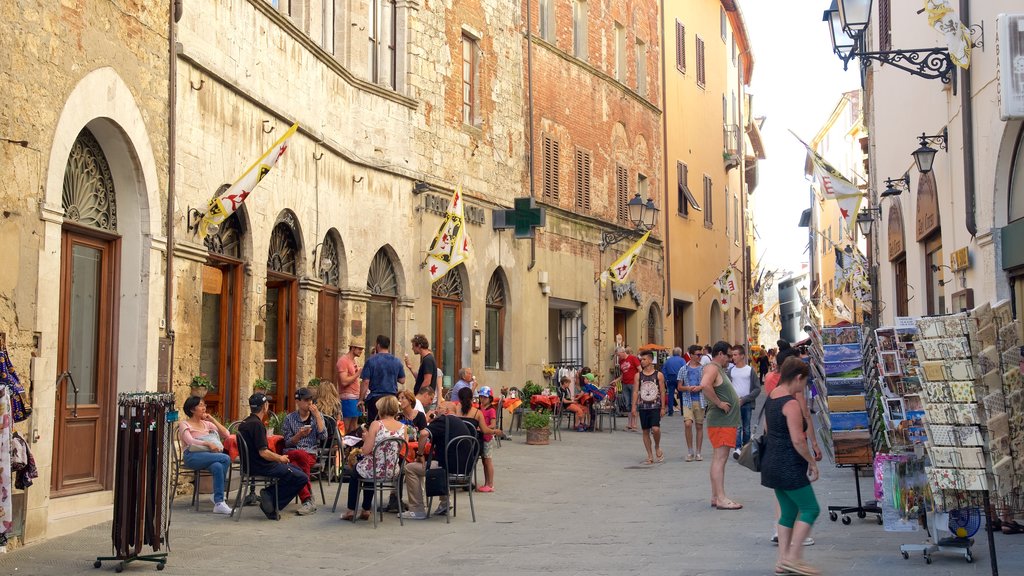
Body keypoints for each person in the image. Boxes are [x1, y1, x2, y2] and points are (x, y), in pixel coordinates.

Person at [762, 358, 822, 576]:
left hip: (772, 463)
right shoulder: (791, 403)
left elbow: (768, 430)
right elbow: (798, 440)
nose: (803, 387)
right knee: (811, 508)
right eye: (804, 382)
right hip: (789, 464)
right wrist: (811, 462)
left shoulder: (771, 397)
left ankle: (782, 561)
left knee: (788, 512)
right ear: (798, 377)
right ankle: (794, 558)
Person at [236, 393, 309, 520]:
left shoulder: (245, 422)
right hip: (262, 466)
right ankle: (270, 500)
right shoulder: (257, 425)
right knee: (301, 477)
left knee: (296, 471)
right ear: (265, 406)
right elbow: (263, 452)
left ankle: (270, 497)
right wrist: (279, 458)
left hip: (251, 465)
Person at [401, 405, 475, 519]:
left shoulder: (443, 420)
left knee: (410, 468)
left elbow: (424, 434)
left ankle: (417, 510)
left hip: (447, 468)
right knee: (438, 462)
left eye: (439, 407)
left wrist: (420, 454)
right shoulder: (460, 423)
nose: (436, 410)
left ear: (446, 410)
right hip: (465, 469)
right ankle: (445, 502)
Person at [339, 395, 406, 521]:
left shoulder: (376, 424)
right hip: (392, 470)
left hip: (375, 468)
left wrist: (366, 439)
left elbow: (366, 451)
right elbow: (402, 448)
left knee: (357, 472)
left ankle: (351, 510)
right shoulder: (403, 427)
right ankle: (366, 509)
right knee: (367, 471)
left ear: (381, 409)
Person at [701, 340, 742, 510]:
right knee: (720, 459)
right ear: (720, 354)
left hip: (724, 422)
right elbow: (704, 385)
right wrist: (719, 403)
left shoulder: (718, 369)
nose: (731, 359)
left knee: (719, 458)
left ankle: (715, 496)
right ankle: (721, 499)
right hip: (721, 422)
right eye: (728, 355)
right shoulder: (712, 368)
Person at [177, 396, 233, 515]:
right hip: (192, 456)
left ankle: (218, 502)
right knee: (225, 458)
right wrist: (208, 443)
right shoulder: (185, 424)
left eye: (204, 405)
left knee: (218, 466)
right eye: (201, 405)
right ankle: (219, 496)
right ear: (192, 409)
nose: (204, 408)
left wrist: (212, 420)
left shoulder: (206, 424)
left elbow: (226, 434)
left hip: (208, 456)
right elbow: (190, 441)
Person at [281, 387, 327, 516]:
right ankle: (308, 500)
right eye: (306, 400)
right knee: (298, 454)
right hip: (293, 452)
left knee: (296, 467)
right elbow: (287, 442)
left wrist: (317, 416)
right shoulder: (290, 419)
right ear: (298, 402)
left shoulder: (317, 417)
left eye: (311, 400)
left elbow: (323, 436)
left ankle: (307, 499)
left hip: (309, 453)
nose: (309, 403)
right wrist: (299, 435)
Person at [359, 335, 405, 423]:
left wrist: (361, 399)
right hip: (391, 398)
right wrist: (392, 375)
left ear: (378, 345)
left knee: (374, 424)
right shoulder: (396, 361)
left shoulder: (371, 361)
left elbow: (365, 382)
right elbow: (402, 380)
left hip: (376, 398)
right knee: (390, 423)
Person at [633, 350, 666, 464]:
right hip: (643, 406)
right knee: (645, 431)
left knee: (656, 429)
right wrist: (633, 407)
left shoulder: (659, 375)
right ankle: (650, 455)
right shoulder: (638, 375)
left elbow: (662, 391)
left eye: (644, 359)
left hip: (655, 405)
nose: (642, 362)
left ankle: (657, 446)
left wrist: (662, 407)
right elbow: (636, 391)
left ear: (651, 360)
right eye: (641, 360)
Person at [729, 345, 760, 458]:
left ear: (742, 356)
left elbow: (757, 388)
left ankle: (745, 449)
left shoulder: (749, 370)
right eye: (732, 355)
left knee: (746, 427)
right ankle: (737, 448)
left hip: (746, 403)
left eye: (735, 355)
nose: (733, 357)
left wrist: (746, 398)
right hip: (735, 403)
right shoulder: (731, 371)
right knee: (737, 427)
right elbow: (727, 387)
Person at [678, 345, 706, 461]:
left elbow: (707, 384)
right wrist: (688, 388)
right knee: (688, 424)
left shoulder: (704, 368)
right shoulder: (683, 369)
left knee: (699, 426)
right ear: (692, 355)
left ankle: (698, 452)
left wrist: (700, 387)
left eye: (701, 354)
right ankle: (690, 451)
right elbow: (679, 387)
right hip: (687, 400)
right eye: (698, 354)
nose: (700, 356)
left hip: (700, 400)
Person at [337, 336, 364, 435]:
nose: (361, 351)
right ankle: (343, 449)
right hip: (347, 398)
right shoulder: (343, 361)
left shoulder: (353, 361)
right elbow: (343, 381)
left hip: (355, 397)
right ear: (353, 348)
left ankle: (351, 449)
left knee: (353, 427)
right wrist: (358, 374)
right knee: (346, 427)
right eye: (359, 348)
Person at [475, 387, 500, 492]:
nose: (482, 399)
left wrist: (483, 428)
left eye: (485, 397)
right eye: (481, 397)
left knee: (488, 460)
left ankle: (490, 484)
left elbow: (493, 425)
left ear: (490, 398)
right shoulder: (479, 409)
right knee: (484, 461)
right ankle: (486, 483)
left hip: (487, 438)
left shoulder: (491, 410)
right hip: (481, 437)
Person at [613, 347, 641, 431]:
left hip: (633, 383)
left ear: (622, 352)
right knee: (627, 403)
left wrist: (639, 381)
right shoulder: (621, 361)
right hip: (625, 384)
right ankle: (629, 424)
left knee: (634, 403)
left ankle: (634, 424)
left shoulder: (633, 358)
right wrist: (616, 380)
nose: (618, 357)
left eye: (618, 355)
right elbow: (623, 374)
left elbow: (640, 370)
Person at [661, 347, 686, 417]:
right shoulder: (682, 360)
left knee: (670, 395)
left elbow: (663, 370)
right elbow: (685, 369)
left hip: (670, 378)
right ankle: (683, 411)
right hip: (679, 379)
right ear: (680, 353)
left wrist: (666, 378)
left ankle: (670, 411)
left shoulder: (668, 360)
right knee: (681, 395)